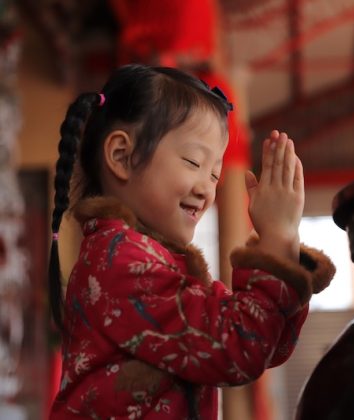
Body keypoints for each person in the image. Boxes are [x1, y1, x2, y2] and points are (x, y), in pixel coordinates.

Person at [47, 63, 335, 419]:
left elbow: (267, 342)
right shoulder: (119, 262)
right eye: (192, 162)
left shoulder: (154, 262)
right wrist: (276, 238)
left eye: (214, 174)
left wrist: (285, 244)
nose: (206, 188)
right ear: (121, 156)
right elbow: (239, 347)